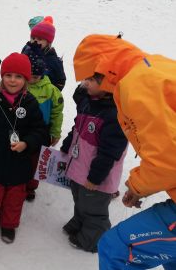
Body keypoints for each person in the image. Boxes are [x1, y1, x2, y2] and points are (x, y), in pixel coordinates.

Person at [73, 34, 176, 269]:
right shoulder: (150, 67)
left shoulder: (137, 85)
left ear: (103, 69)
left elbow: (168, 160)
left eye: (89, 77)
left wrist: (137, 186)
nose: (85, 84)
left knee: (115, 247)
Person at [0, 53, 47, 244]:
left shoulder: (30, 103)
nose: (13, 80)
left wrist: (27, 143)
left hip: (19, 164)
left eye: (18, 76)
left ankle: (8, 225)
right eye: (9, 75)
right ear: (2, 76)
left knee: (14, 200)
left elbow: (40, 131)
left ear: (26, 79)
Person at [60, 76, 128, 253]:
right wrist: (68, 143)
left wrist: (95, 178)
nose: (85, 83)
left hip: (97, 176)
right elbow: (78, 127)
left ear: (109, 85)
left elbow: (109, 152)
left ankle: (93, 238)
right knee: (79, 198)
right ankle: (80, 222)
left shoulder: (115, 115)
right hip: (80, 166)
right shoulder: (88, 102)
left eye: (91, 80)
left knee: (94, 209)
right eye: (86, 79)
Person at [23, 43, 64, 201]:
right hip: (21, 130)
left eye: (36, 76)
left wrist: (55, 132)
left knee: (35, 161)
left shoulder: (51, 90)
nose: (32, 79)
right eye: (29, 75)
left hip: (41, 131)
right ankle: (18, 183)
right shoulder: (20, 85)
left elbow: (57, 112)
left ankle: (31, 186)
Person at [22, 20, 66, 91]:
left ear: (48, 42)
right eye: (33, 38)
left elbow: (60, 80)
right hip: (25, 91)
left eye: (39, 39)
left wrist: (51, 92)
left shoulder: (53, 60)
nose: (35, 41)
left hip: (43, 95)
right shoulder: (26, 51)